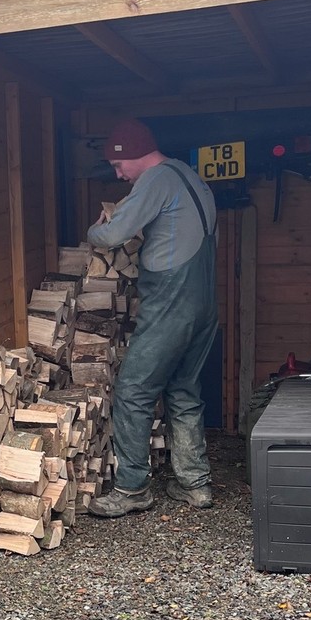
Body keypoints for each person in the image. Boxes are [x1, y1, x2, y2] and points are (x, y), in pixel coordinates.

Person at [87, 118, 218, 518]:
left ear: (133, 154)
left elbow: (113, 236)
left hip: (171, 302)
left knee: (133, 390)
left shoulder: (156, 179)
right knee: (183, 389)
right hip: (203, 303)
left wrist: (95, 230)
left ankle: (132, 488)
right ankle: (194, 484)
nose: (118, 174)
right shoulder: (190, 177)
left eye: (118, 165)